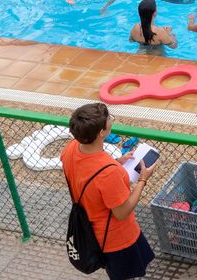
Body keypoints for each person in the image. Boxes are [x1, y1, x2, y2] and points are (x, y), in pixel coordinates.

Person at [61, 103, 157, 280]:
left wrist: (116, 162)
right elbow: (121, 212)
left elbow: (89, 169)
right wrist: (143, 179)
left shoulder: (70, 148)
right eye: (109, 120)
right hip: (116, 238)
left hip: (91, 229)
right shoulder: (109, 172)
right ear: (101, 133)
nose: (111, 121)